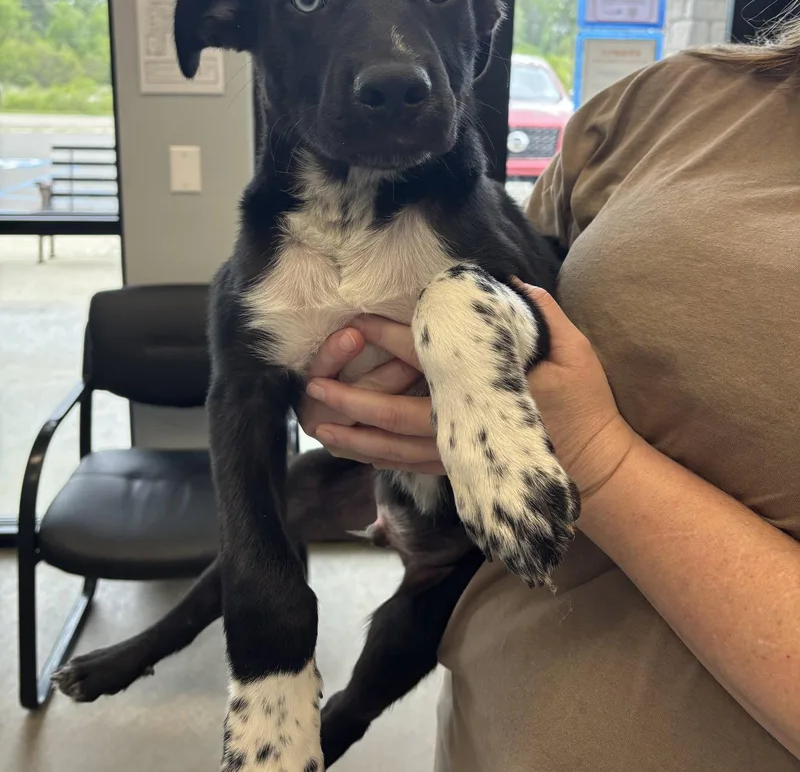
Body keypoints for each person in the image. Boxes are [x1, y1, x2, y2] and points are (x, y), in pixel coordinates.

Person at [299, 41, 800, 771]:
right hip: (485, 722)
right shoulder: (679, 97)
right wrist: (374, 386)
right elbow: (515, 281)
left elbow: (545, 405)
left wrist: (596, 457)